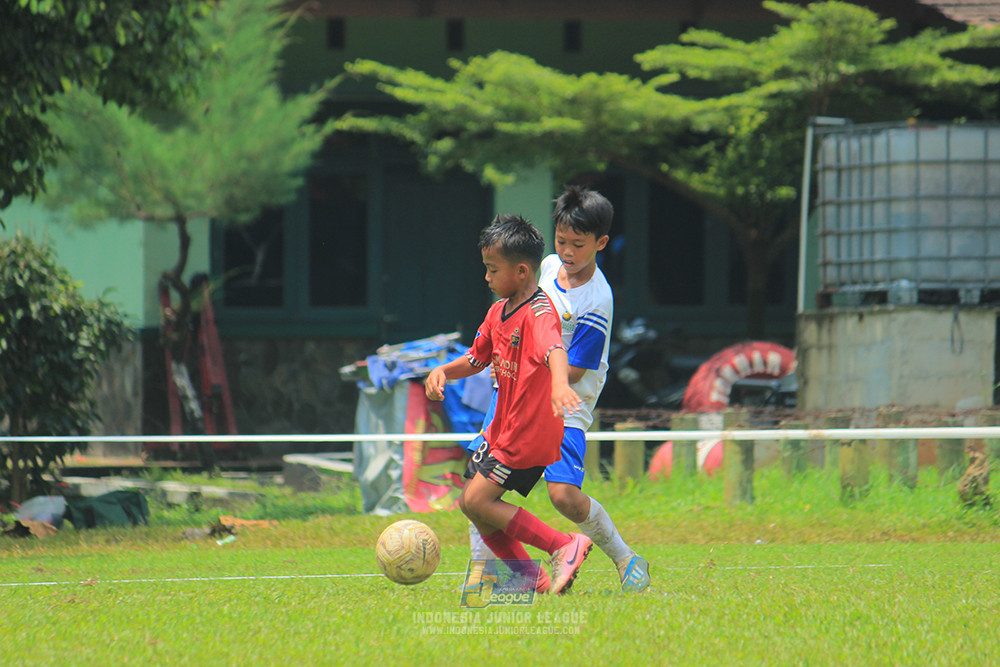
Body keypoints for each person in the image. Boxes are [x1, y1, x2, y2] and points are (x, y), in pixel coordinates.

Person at [467, 186, 651, 593]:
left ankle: (625, 557)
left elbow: (577, 370)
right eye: (562, 241)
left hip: (565, 404)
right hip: (515, 395)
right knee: (475, 483)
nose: (567, 251)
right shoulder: (546, 267)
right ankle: (496, 576)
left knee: (564, 496)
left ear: (601, 243)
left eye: (578, 244)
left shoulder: (597, 300)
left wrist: (525, 374)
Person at [425, 214, 593, 595]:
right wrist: (443, 371)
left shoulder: (539, 312)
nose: (486, 277)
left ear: (520, 271)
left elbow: (555, 350)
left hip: (528, 432)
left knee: (478, 500)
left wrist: (560, 386)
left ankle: (564, 544)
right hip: (500, 429)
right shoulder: (497, 311)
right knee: (471, 504)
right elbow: (476, 358)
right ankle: (532, 579)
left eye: (491, 269)